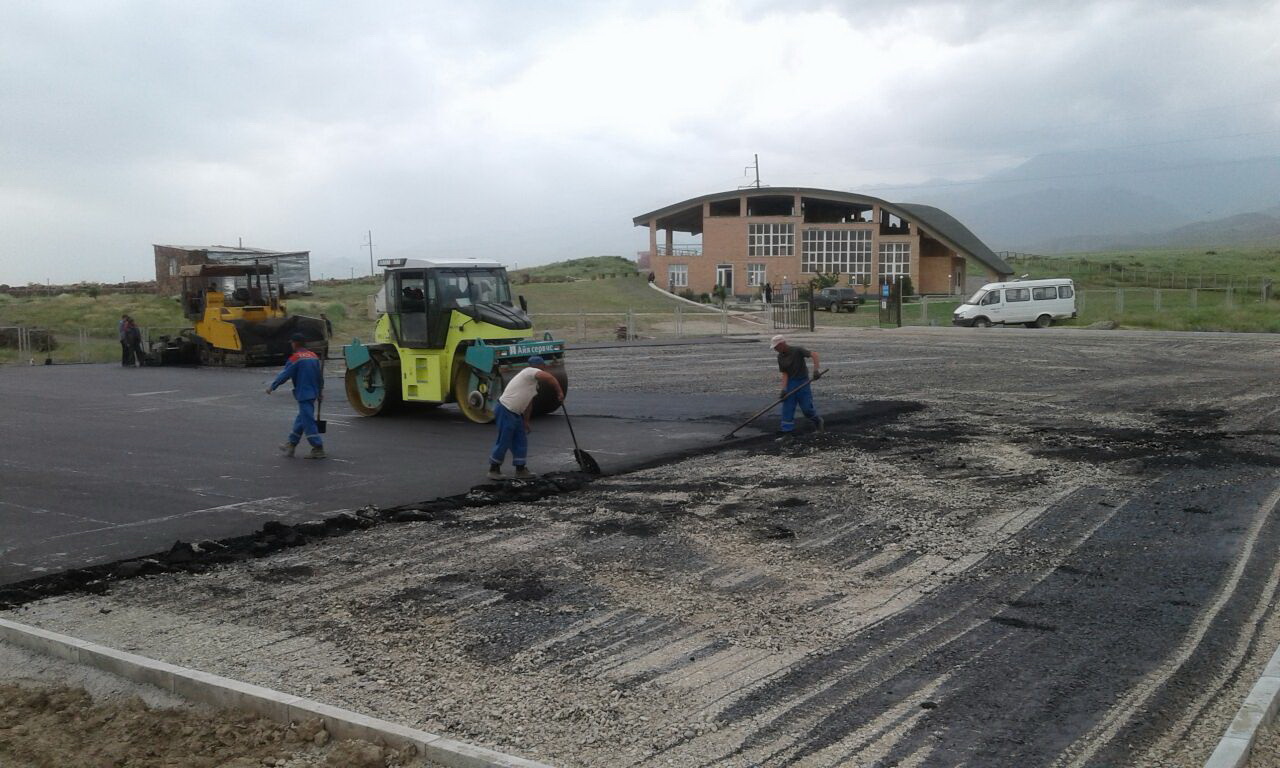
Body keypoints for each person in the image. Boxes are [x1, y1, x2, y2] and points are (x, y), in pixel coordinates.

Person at [489, 356, 564, 480]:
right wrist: (559, 392)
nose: (544, 367)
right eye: (543, 366)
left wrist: (526, 421)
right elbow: (550, 378)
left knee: (521, 440)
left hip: (516, 413)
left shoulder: (532, 383)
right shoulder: (529, 371)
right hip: (505, 410)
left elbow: (529, 403)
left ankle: (520, 469)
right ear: (540, 366)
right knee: (504, 440)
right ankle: (494, 469)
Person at [267, 333, 325, 459]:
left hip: (303, 394)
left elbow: (285, 374)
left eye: (292, 343)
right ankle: (291, 444)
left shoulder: (295, 358)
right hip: (313, 393)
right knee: (302, 419)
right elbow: (319, 376)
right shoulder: (313, 356)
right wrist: (320, 392)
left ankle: (318, 447)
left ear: (295, 343)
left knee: (308, 421)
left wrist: (273, 386)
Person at [771, 334, 823, 435]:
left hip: (803, 382)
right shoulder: (780, 357)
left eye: (776, 347)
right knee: (787, 408)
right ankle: (787, 433)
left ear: (782, 344)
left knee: (807, 408)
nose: (775, 349)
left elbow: (814, 355)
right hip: (791, 383)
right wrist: (784, 389)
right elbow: (785, 373)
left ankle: (818, 421)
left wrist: (816, 370)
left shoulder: (797, 350)